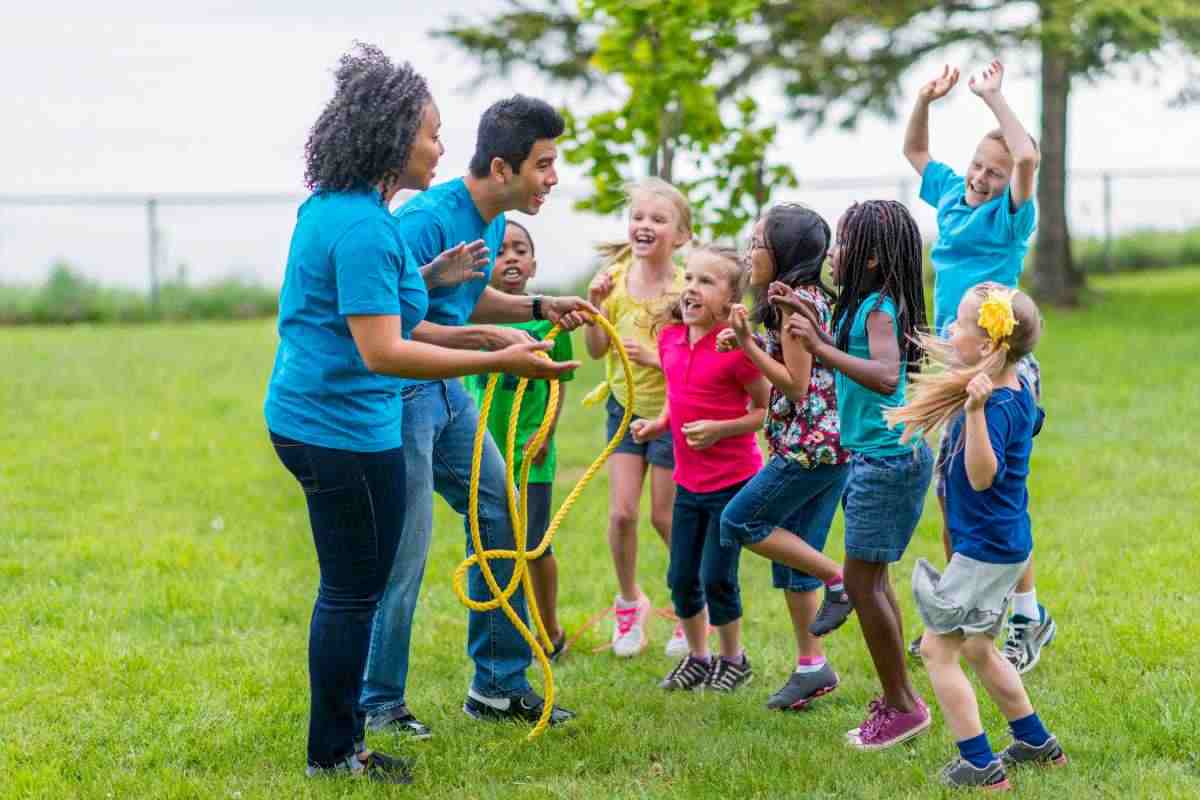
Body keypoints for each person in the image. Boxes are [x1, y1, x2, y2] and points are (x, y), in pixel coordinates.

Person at [265, 45, 575, 783]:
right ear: (391, 136)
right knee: (359, 586)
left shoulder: (350, 210)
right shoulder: (371, 225)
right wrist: (498, 356)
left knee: (386, 567)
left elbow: (402, 309)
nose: (440, 146)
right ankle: (344, 745)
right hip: (343, 422)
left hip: (329, 415)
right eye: (431, 133)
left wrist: (466, 297)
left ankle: (478, 690)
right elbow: (386, 350)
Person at [360, 94, 596, 737]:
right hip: (406, 391)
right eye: (543, 165)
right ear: (502, 167)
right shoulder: (424, 222)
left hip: (448, 394)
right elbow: (398, 328)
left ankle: (497, 684)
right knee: (405, 551)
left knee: (499, 511)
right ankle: (377, 701)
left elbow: (470, 299)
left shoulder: (489, 219)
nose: (552, 178)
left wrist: (540, 309)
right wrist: (495, 350)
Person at [902, 60, 1054, 673]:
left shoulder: (1011, 216)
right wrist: (924, 99)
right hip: (953, 366)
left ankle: (1027, 616)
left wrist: (994, 99)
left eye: (995, 171)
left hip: (996, 366)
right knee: (952, 493)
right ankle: (962, 611)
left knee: (999, 501)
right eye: (979, 166)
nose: (985, 178)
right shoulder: (949, 193)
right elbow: (915, 149)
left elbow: (1027, 161)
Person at [886, 284, 1066, 790]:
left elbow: (984, 475)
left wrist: (973, 414)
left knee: (938, 653)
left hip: (987, 550)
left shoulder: (997, 405)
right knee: (979, 650)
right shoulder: (1013, 390)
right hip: (1002, 544)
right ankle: (1035, 742)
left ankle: (979, 764)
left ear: (989, 345)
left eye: (962, 324)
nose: (951, 331)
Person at [777, 200, 933, 750]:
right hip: (875, 457)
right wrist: (807, 314)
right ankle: (900, 699)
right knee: (873, 580)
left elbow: (886, 373)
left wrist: (817, 346)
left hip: (887, 463)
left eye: (843, 243)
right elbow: (854, 353)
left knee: (863, 584)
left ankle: (901, 705)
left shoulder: (880, 308)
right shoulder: (864, 303)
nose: (833, 253)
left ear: (868, 258)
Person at [716, 204, 853, 711]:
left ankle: (840, 580)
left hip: (810, 449)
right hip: (830, 446)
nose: (750, 253)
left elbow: (796, 386)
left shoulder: (797, 308)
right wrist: (753, 339)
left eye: (758, 244)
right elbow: (804, 369)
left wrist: (750, 348)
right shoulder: (798, 300)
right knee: (794, 563)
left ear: (786, 252)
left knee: (739, 521)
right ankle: (811, 667)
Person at [632, 245, 769, 691]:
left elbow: (766, 409)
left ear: (731, 301)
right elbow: (678, 393)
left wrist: (720, 430)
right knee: (681, 576)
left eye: (706, 282)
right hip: (687, 481)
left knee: (716, 577)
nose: (691, 289)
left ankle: (734, 659)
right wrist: (658, 425)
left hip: (732, 483)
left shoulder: (736, 348)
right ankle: (698, 656)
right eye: (689, 278)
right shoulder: (671, 337)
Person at [584, 178, 693, 658]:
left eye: (658, 219)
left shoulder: (687, 286)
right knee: (622, 513)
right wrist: (592, 308)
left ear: (681, 236)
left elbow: (697, 357)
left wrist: (653, 358)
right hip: (623, 408)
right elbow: (594, 350)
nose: (644, 225)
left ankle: (691, 607)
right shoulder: (614, 279)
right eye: (638, 218)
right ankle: (629, 603)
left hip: (673, 410)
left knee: (664, 518)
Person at [464, 220, 575, 660]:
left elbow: (558, 382)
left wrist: (545, 432)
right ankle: (508, 631)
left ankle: (551, 630)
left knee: (533, 545)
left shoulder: (550, 324)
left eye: (520, 249)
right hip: (482, 444)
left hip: (531, 449)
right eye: (501, 250)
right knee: (494, 545)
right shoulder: (471, 316)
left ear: (532, 264)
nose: (511, 257)